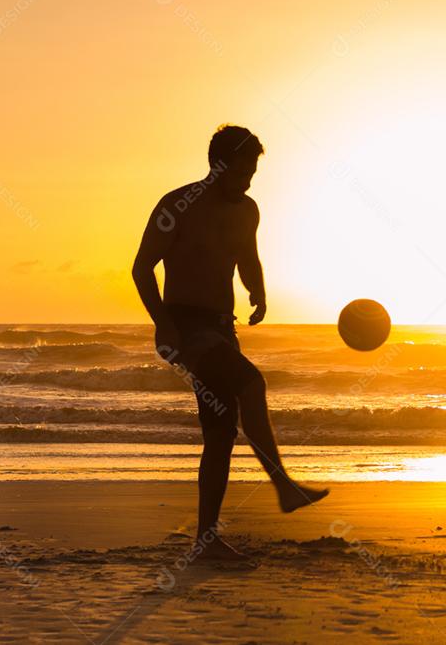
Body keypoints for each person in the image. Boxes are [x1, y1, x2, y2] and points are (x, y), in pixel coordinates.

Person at [132, 125, 328, 560]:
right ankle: (284, 487)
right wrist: (162, 325)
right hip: (186, 327)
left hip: (223, 328)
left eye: (253, 172)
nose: (249, 181)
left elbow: (247, 258)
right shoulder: (176, 206)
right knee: (251, 383)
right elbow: (142, 269)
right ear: (217, 166)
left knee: (220, 434)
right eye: (242, 172)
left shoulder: (248, 210)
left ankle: (206, 542)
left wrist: (258, 291)